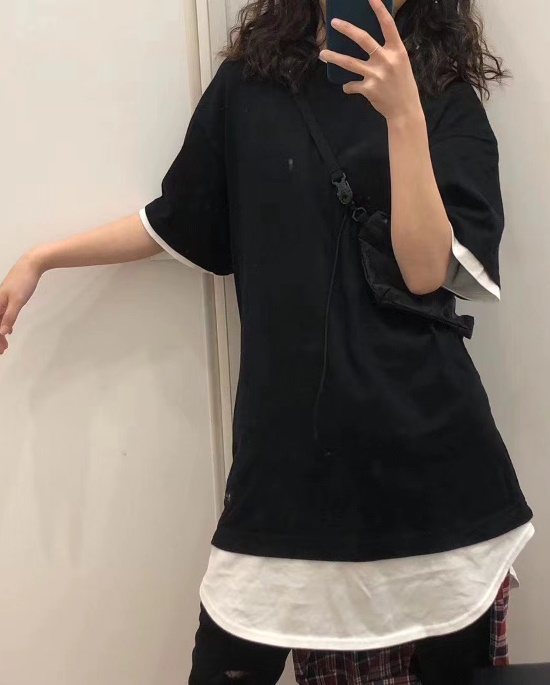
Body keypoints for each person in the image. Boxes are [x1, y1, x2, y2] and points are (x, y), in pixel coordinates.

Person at [0, 0, 535, 683]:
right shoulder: (249, 88)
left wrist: (404, 115)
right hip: (285, 471)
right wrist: (43, 258)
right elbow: (175, 218)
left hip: (433, 476)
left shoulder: (443, 97)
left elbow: (426, 270)